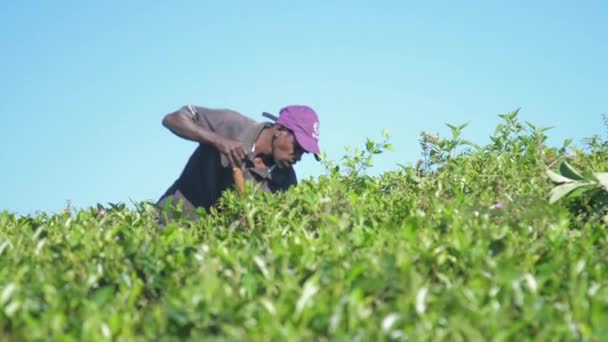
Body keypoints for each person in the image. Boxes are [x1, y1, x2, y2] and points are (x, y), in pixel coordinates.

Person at [156, 104, 321, 221]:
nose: (298, 156)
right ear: (279, 130)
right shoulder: (231, 125)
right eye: (298, 147)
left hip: (211, 251)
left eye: (304, 152)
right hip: (167, 222)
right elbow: (172, 119)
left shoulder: (287, 181)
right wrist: (218, 141)